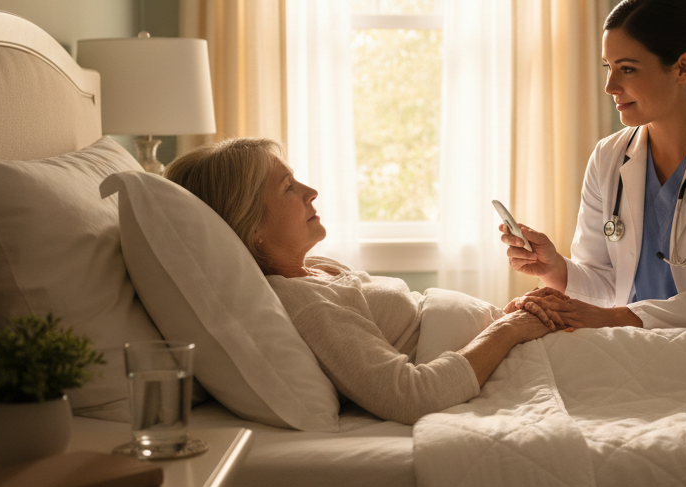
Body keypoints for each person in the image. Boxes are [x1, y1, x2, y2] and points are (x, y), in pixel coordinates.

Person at [165, 138, 556, 425]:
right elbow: (411, 395)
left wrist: (507, 318)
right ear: (253, 229)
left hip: (510, 347)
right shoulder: (306, 305)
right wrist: (506, 331)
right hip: (509, 360)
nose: (310, 192)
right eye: (288, 187)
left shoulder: (316, 268)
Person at [501, 0, 686, 330]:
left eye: (627, 69)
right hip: (644, 347)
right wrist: (555, 269)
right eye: (607, 67)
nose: (610, 85)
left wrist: (610, 318)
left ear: (683, 68)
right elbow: (605, 281)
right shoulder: (607, 158)